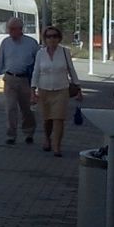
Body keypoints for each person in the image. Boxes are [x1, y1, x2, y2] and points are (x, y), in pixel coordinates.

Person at [30, 25, 80, 157]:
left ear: (59, 38)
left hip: (61, 90)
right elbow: (36, 72)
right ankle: (47, 138)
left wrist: (78, 87)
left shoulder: (65, 52)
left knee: (59, 119)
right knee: (47, 119)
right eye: (48, 36)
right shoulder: (40, 53)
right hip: (44, 90)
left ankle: (56, 146)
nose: (52, 39)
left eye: (54, 36)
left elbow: (71, 69)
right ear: (45, 39)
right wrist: (33, 90)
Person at [0, 16, 38, 145]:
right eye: (9, 29)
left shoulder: (32, 43)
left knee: (26, 109)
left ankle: (29, 132)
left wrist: (36, 83)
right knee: (10, 108)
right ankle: (11, 135)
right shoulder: (5, 43)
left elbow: (38, 63)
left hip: (26, 80)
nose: (9, 32)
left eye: (12, 29)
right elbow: (0, 60)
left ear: (20, 29)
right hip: (10, 79)